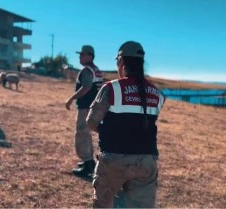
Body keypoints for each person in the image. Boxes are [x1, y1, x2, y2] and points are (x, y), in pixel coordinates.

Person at [86, 41, 166, 208]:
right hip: (146, 161)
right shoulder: (157, 93)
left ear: (121, 62)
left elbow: (91, 122)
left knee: (104, 204)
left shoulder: (112, 88)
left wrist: (106, 132)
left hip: (114, 158)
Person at [65, 45, 103, 177]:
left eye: (82, 54)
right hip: (93, 107)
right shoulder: (96, 70)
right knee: (86, 134)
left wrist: (71, 98)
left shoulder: (87, 70)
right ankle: (89, 161)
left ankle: (87, 162)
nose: (80, 57)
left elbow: (86, 87)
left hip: (86, 107)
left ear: (90, 56)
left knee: (81, 133)